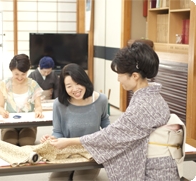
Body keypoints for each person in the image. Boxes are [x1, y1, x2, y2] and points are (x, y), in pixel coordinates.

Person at [50, 42, 184, 180]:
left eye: (120, 74)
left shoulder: (143, 105)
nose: (118, 78)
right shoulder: (152, 96)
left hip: (154, 170)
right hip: (158, 164)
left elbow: (111, 135)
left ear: (134, 76)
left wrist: (69, 142)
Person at [40, 63, 110, 181]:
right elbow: (58, 132)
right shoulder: (59, 104)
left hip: (90, 152)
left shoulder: (101, 100)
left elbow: (107, 128)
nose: (75, 89)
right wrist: (52, 139)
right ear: (63, 87)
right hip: (66, 151)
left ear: (85, 81)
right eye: (69, 86)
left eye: (78, 83)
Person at [0, 54, 43, 146]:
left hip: (28, 124)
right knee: (10, 142)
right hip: (10, 124)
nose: (20, 77)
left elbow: (38, 106)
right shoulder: (5, 84)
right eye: (16, 74)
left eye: (23, 74)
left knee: (26, 142)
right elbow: (0, 106)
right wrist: (3, 111)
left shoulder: (33, 84)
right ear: (11, 71)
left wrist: (38, 111)